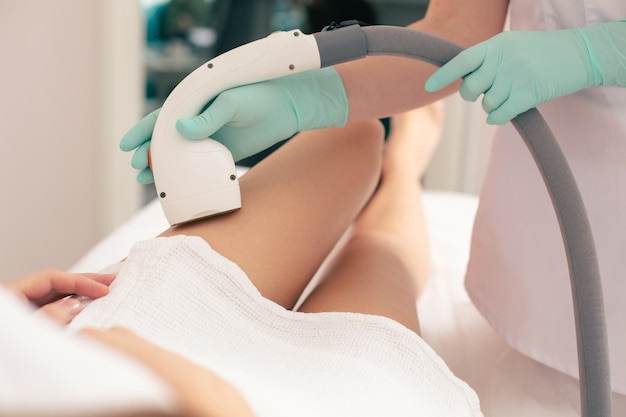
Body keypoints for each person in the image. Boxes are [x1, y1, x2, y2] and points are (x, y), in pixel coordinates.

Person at [119, 0, 626, 402]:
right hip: (353, 394)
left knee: (351, 145)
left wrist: (604, 50)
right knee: (375, 236)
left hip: (139, 356)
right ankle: (404, 161)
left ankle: (400, 153)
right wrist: (307, 99)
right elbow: (456, 27)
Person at [2, 104, 484, 417]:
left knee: (352, 135)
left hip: (108, 351)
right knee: (378, 252)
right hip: (314, 404)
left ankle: (390, 155)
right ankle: (406, 167)